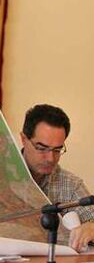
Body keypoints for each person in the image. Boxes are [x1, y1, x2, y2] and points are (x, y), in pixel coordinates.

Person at [21, 104, 94, 252]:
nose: (50, 158)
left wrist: (91, 227)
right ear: (23, 139)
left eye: (57, 150)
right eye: (42, 148)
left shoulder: (70, 184)